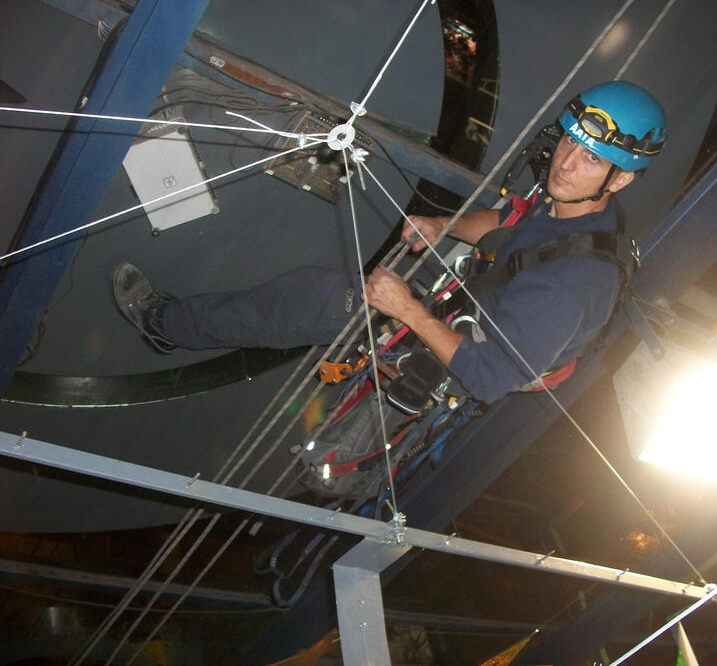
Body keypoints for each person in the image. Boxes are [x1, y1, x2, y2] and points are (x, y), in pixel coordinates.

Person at [113, 80, 665, 403]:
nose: (566, 164)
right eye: (569, 144)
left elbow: (491, 376)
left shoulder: (572, 284)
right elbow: (510, 222)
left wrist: (407, 311)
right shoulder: (573, 200)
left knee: (313, 297)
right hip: (482, 309)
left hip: (476, 352)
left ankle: (167, 326)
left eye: (591, 158)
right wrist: (443, 227)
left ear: (622, 177)